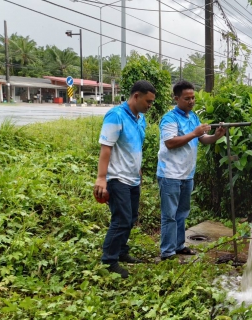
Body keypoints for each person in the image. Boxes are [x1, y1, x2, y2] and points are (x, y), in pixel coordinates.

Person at [156, 80, 225, 261]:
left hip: (187, 174)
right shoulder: (170, 118)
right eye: (187, 98)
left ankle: (179, 245)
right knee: (169, 215)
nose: (192, 101)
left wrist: (216, 136)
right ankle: (167, 251)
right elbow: (170, 143)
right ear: (176, 98)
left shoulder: (192, 117)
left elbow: (203, 139)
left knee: (182, 213)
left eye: (193, 98)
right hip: (170, 174)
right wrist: (195, 133)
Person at [94, 80, 156, 278]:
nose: (150, 105)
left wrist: (138, 170)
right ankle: (109, 260)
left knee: (130, 218)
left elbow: (134, 147)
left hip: (132, 177)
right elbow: (106, 149)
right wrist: (101, 179)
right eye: (148, 101)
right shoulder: (116, 115)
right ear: (136, 96)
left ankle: (121, 251)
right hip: (117, 177)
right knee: (121, 220)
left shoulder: (140, 118)